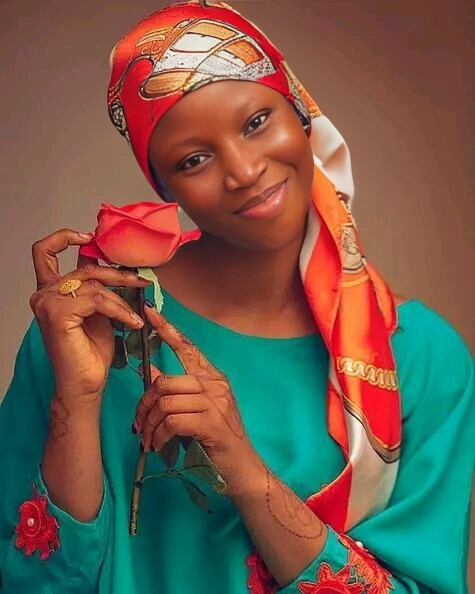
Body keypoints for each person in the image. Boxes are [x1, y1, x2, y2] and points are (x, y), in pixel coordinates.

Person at [0, 1, 473, 593]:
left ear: (300, 111)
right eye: (194, 159)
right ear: (163, 185)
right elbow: (28, 579)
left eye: (256, 122)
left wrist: (244, 470)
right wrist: (77, 399)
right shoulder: (94, 324)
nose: (244, 171)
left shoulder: (422, 357)